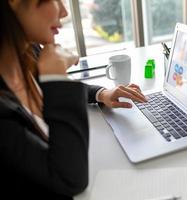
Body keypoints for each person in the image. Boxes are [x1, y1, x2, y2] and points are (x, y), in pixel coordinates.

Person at [0, 0, 146, 199]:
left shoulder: (27, 53)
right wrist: (56, 77)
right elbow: (71, 180)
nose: (64, 11)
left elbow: (45, 90)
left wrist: (101, 93)